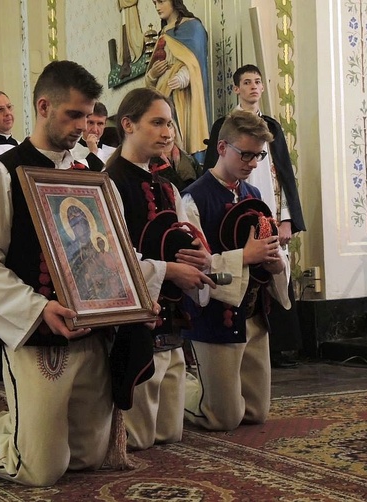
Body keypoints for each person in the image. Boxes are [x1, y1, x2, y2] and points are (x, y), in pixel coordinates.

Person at [0, 60, 157, 486]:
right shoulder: (1, 174)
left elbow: (116, 253)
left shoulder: (93, 178)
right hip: (37, 338)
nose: (82, 126)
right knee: (40, 469)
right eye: (73, 114)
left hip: (92, 334)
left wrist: (138, 296)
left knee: (88, 456)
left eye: (88, 116)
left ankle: (11, 422)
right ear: (43, 106)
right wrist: (37, 308)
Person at [105, 87, 215, 450]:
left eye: (169, 123)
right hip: (133, 325)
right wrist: (168, 271)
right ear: (128, 125)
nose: (167, 132)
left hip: (172, 322)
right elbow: (111, 259)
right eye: (156, 123)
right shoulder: (108, 184)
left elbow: (186, 239)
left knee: (169, 433)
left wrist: (199, 258)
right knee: (137, 438)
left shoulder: (168, 188)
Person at [180, 110, 290, 431]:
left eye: (258, 155)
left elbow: (270, 250)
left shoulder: (253, 196)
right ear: (222, 148)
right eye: (246, 154)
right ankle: (174, 390)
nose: (253, 163)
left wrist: (273, 262)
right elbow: (194, 265)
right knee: (223, 418)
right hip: (217, 317)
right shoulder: (193, 199)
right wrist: (245, 255)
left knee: (256, 412)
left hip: (253, 312)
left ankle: (217, 390)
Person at [203, 64, 306, 368]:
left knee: (275, 270)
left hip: (269, 209)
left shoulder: (271, 126)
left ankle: (281, 344)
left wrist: (286, 217)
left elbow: (284, 174)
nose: (252, 87)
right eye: (246, 82)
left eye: (257, 82)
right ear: (236, 88)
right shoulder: (225, 124)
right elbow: (212, 170)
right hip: (233, 213)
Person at [145, 0, 211, 158]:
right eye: (155, 3)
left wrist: (183, 76)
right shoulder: (163, 34)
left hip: (183, 99)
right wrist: (152, 73)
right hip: (162, 98)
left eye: (161, 2)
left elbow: (196, 63)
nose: (157, 8)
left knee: (183, 143)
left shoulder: (193, 27)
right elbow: (148, 83)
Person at [70, 102, 117, 172]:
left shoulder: (114, 151)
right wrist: (93, 151)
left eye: (100, 124)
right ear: (83, 122)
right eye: (90, 123)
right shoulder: (72, 151)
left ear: (105, 124)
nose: (95, 130)